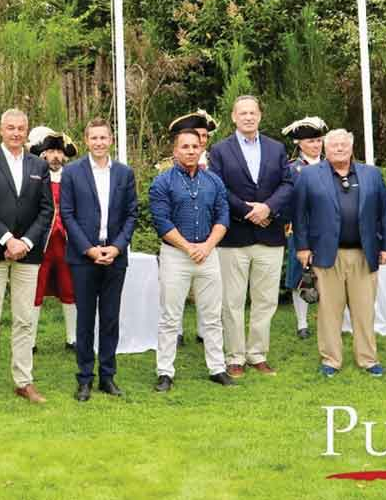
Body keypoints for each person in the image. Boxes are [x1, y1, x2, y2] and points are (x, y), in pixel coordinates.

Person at [292, 129, 386, 377]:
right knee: (329, 310)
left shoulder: (371, 174)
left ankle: (368, 359)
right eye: (334, 145)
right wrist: (302, 247)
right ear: (326, 148)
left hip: (363, 252)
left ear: (351, 147)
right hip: (327, 254)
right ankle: (331, 360)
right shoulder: (308, 175)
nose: (339, 148)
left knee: (364, 310)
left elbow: (385, 212)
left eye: (343, 144)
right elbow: (299, 215)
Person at [0, 108, 54, 405]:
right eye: (11, 128)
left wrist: (26, 242)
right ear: (1, 130)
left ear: (26, 131)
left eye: (21, 128)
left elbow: (47, 210)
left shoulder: (38, 165)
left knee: (25, 318)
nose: (16, 133)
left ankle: (23, 380)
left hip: (27, 253)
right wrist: (7, 239)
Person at [207, 97, 293, 377]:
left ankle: (257, 354)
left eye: (252, 112)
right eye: (242, 113)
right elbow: (218, 187)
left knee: (265, 300)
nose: (247, 117)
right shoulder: (219, 150)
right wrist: (247, 211)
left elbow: (287, 183)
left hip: (269, 234)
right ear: (233, 117)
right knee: (232, 301)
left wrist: (268, 208)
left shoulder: (276, 148)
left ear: (260, 116)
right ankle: (234, 357)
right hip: (234, 236)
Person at [59, 118, 138, 401]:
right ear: (86, 140)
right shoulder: (72, 172)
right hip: (84, 257)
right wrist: (89, 249)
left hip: (114, 256)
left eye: (103, 138)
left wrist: (116, 248)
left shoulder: (124, 174)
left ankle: (108, 376)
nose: (99, 143)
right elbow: (67, 214)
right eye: (94, 138)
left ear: (111, 140)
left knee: (110, 318)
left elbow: (131, 214)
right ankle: (84, 378)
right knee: (85, 320)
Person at [150, 119, 232, 391]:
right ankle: (165, 371)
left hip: (209, 253)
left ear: (201, 149)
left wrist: (207, 246)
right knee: (170, 317)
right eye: (184, 146)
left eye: (195, 146)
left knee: (211, 315)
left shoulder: (214, 181)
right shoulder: (163, 182)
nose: (190, 151)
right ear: (175, 151)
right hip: (176, 256)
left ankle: (217, 368)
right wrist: (188, 247)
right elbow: (161, 221)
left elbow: (223, 216)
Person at [29, 126, 79, 353]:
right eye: (51, 151)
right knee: (35, 291)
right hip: (41, 244)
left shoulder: (73, 178)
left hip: (67, 243)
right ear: (43, 154)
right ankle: (30, 341)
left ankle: (72, 339)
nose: (56, 156)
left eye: (60, 152)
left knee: (70, 290)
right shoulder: (35, 177)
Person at [282, 117, 327, 339]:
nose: (316, 145)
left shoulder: (331, 165)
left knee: (329, 275)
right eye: (311, 141)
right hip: (300, 230)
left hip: (328, 230)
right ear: (299, 143)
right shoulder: (292, 169)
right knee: (301, 276)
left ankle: (329, 320)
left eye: (319, 140)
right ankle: (302, 324)